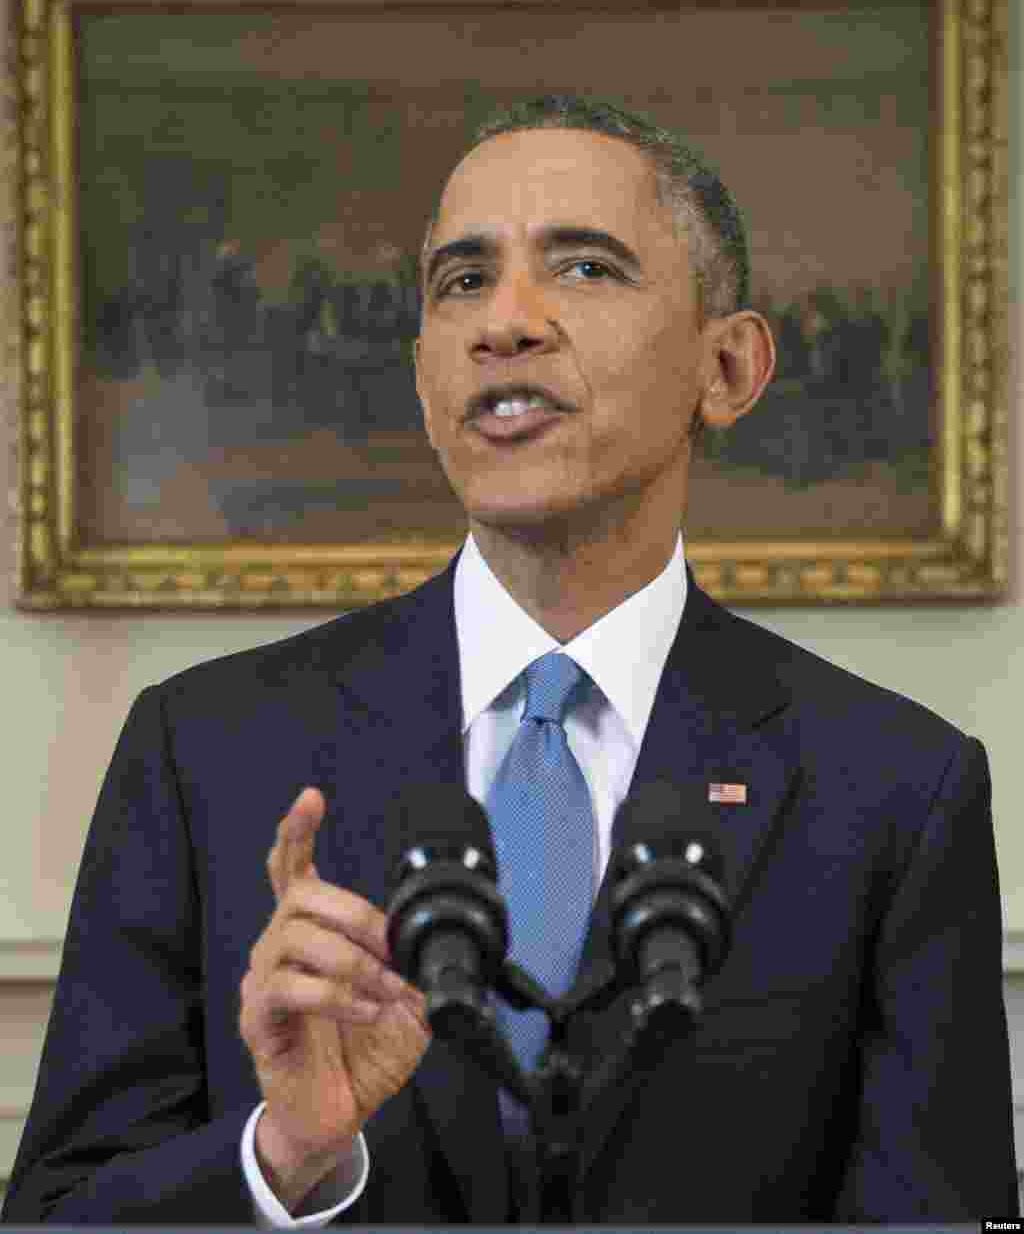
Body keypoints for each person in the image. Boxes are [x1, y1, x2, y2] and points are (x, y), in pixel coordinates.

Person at [2, 94, 1017, 1225]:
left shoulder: (894, 789)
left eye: (584, 268)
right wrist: (282, 1156)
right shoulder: (205, 752)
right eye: (463, 279)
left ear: (727, 367)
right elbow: (58, 1213)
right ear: (424, 371)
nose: (506, 322)